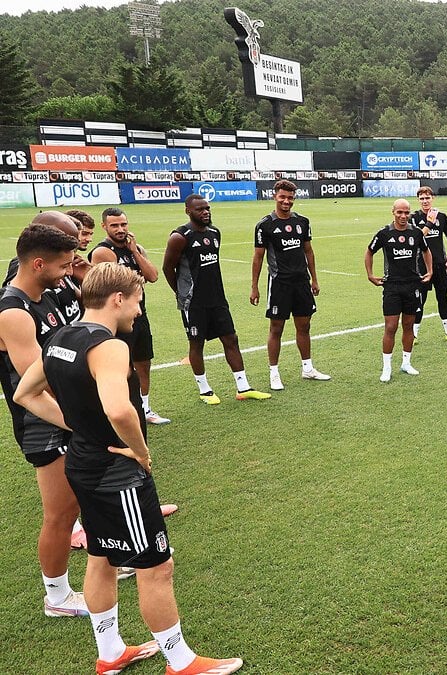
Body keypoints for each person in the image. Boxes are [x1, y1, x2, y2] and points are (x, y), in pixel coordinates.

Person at [14, 262, 243, 675]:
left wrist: (77, 425)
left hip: (82, 466)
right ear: (118, 298)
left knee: (101, 558)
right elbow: (120, 409)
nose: (138, 312)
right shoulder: (109, 346)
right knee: (157, 566)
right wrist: (139, 451)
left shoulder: (58, 337)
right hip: (116, 474)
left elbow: (24, 393)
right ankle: (180, 661)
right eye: (137, 302)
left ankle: (110, 653)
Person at [0, 223, 88, 618]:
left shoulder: (46, 294)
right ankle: (57, 597)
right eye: (64, 265)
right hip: (42, 422)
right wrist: (82, 419)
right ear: (38, 264)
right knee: (61, 513)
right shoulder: (12, 312)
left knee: (87, 494)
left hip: (68, 412)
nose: (69, 271)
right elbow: (37, 383)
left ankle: (111, 557)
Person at [163, 195, 270, 404]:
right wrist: (180, 292)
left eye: (207, 208)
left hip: (217, 299)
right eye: (200, 209)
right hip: (193, 302)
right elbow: (168, 268)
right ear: (188, 211)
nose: (205, 212)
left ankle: (243, 387)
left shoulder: (214, 233)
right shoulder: (179, 237)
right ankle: (205, 390)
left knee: (231, 339)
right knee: (197, 344)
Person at [89, 207, 170, 424]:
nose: (120, 229)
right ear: (104, 226)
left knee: (143, 362)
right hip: (117, 321)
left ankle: (145, 408)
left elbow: (152, 276)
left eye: (123, 224)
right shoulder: (102, 252)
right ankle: (121, 409)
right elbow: (120, 286)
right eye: (114, 225)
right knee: (122, 368)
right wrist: (137, 277)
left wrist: (135, 252)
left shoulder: (136, 248)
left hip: (138, 315)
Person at [250, 180, 331, 391]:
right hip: (279, 283)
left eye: (290, 197)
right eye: (283, 197)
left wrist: (314, 279)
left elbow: (309, 251)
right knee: (276, 328)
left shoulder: (302, 222)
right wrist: (254, 286)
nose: (286, 201)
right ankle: (274, 373)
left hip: (301, 283)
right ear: (274, 196)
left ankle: (308, 368)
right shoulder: (265, 224)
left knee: (304, 326)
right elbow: (258, 258)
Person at [365, 199, 432, 381]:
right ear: (393, 212)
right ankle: (386, 367)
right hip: (392, 287)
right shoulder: (384, 233)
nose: (403, 216)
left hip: (413, 286)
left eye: (406, 213)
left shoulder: (416, 233)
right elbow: (369, 251)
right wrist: (370, 275)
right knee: (391, 326)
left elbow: (426, 251)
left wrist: (430, 270)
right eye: (399, 212)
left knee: (408, 325)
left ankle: (406, 363)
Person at [411, 186, 447, 342]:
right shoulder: (414, 218)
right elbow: (417, 239)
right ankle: (413, 335)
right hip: (422, 266)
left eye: (427, 198)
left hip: (440, 265)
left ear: (433, 198)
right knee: (420, 300)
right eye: (422, 198)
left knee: (443, 298)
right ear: (418, 200)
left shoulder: (442, 216)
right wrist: (429, 223)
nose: (425, 201)